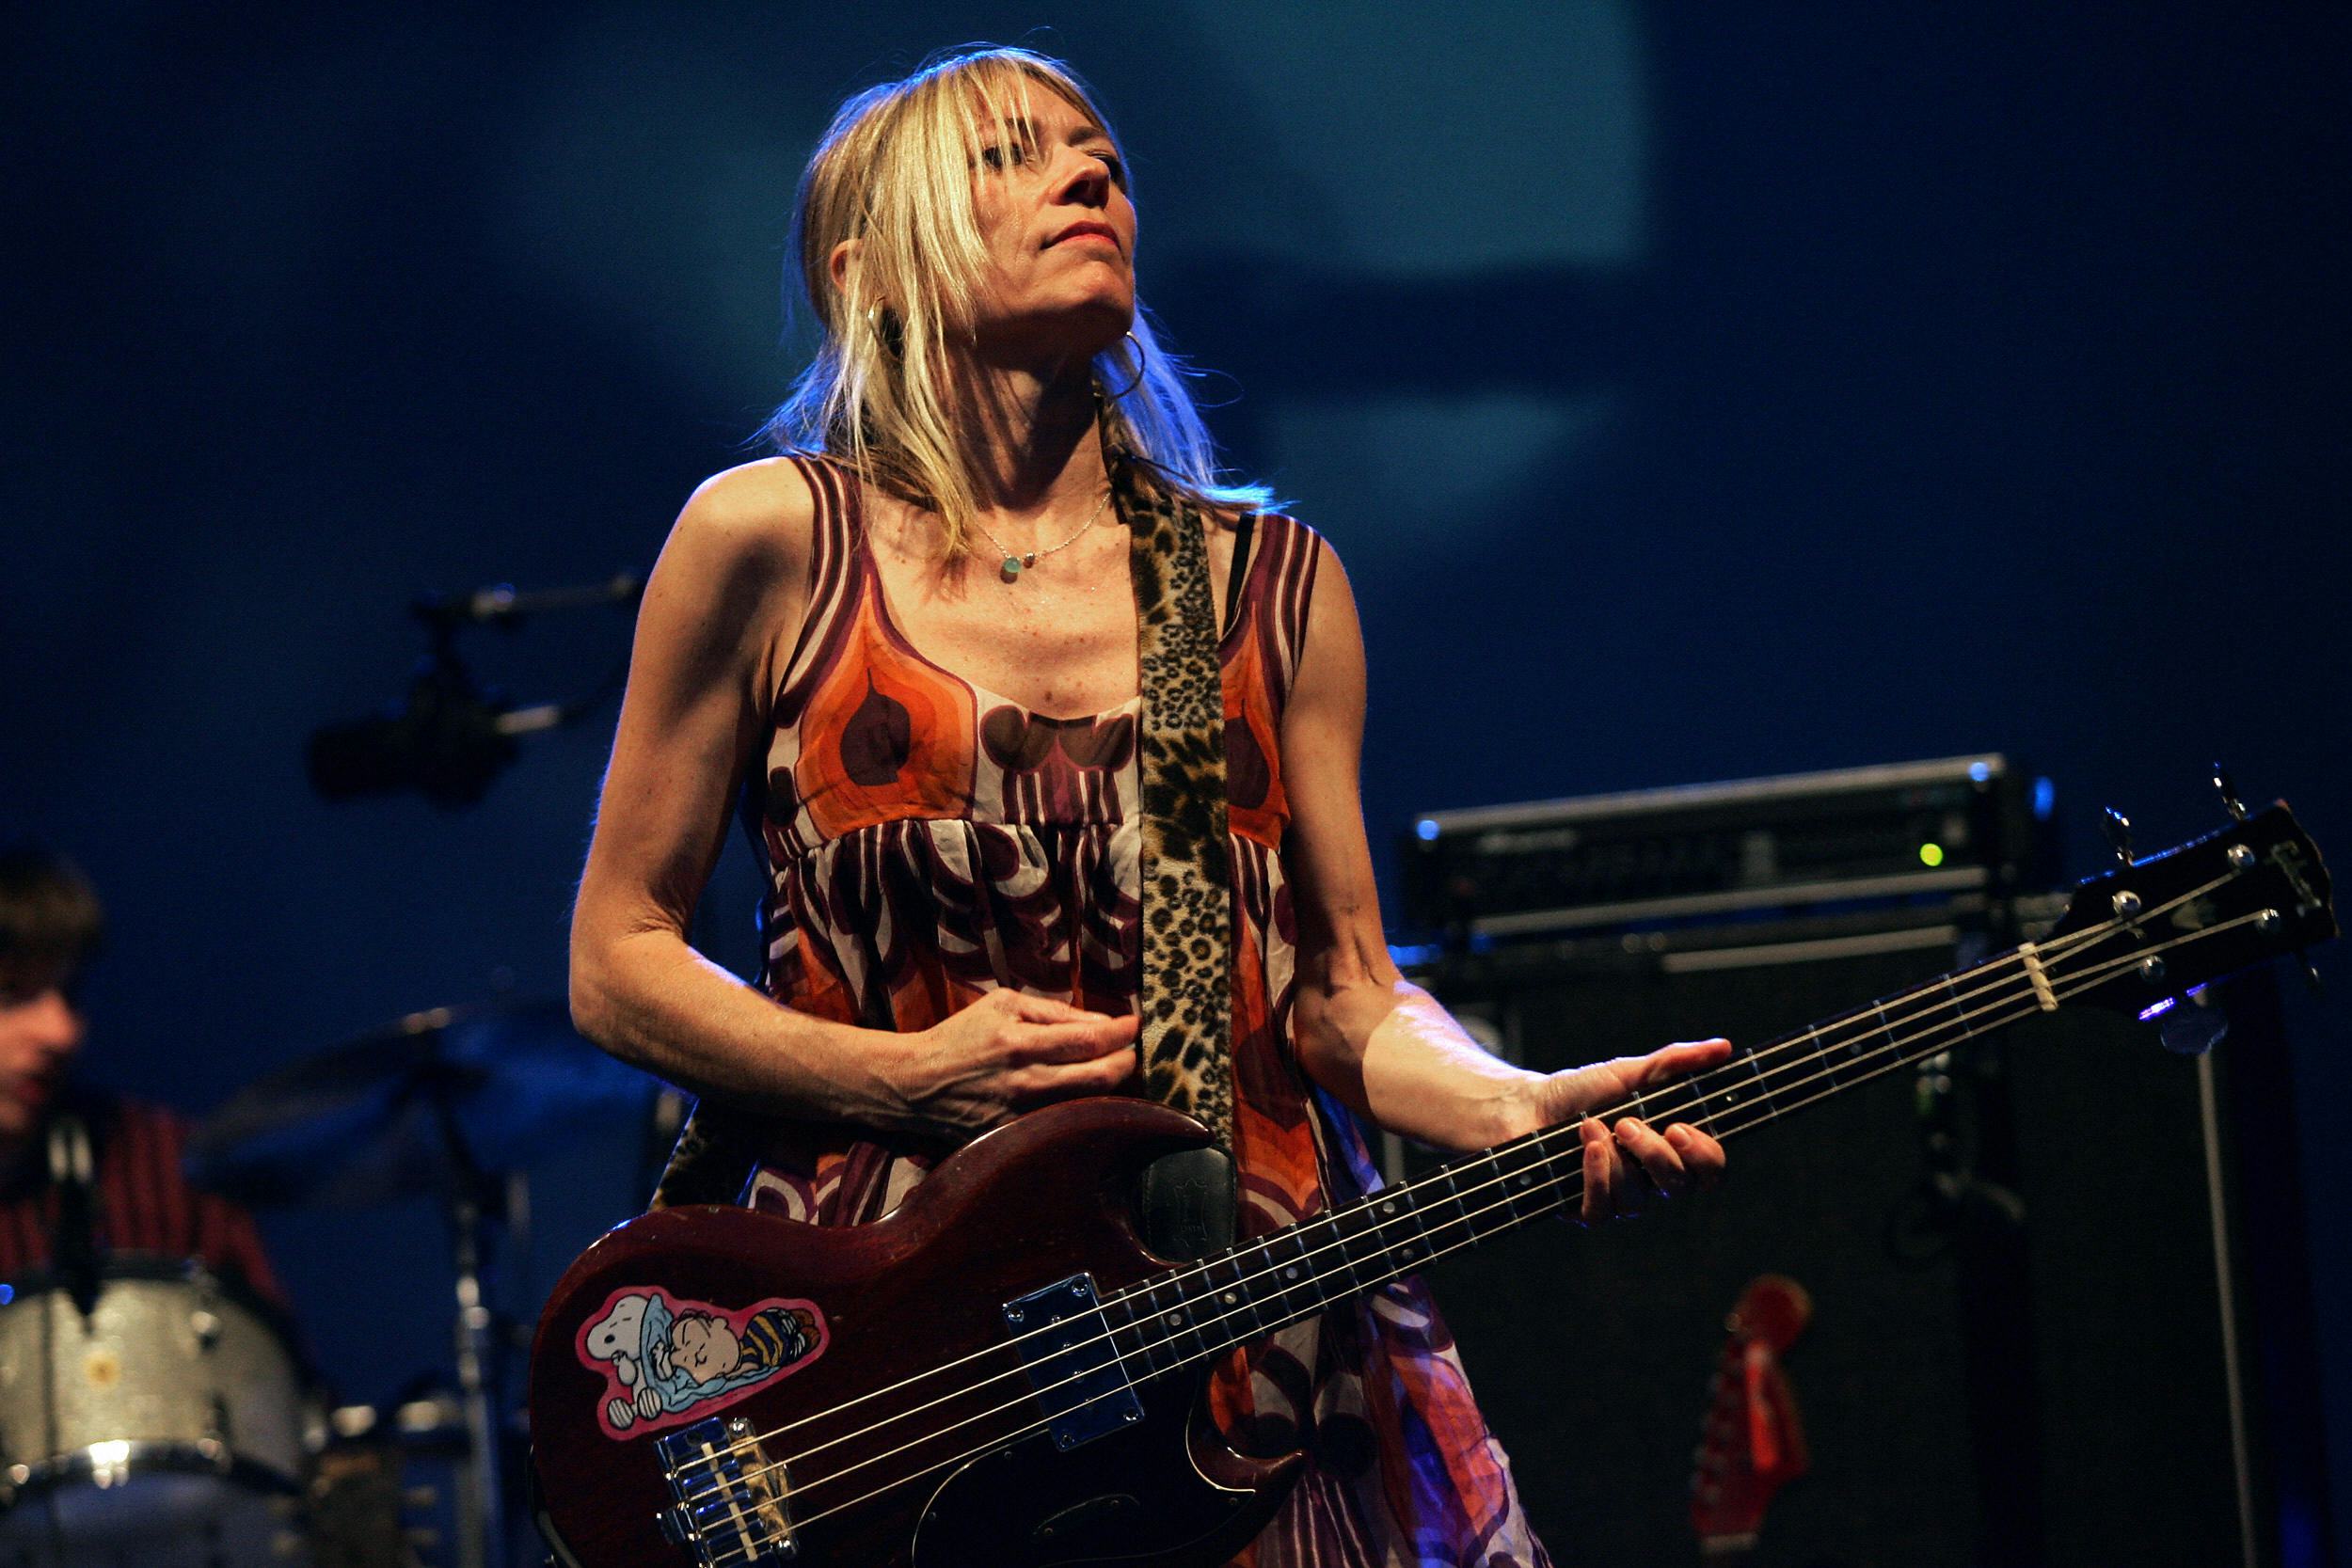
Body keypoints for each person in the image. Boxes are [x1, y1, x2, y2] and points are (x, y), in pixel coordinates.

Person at [569, 44, 1728, 1564]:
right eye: (1010, 154)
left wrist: (1512, 1104)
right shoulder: (768, 540)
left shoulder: (1261, 587)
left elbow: (1343, 994)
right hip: (900, 1356)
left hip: (1237, 1336)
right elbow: (617, 956)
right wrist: (898, 1076)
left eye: (1099, 154)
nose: (1088, 173)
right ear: (870, 272)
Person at [0, 844, 283, 1301]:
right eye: (12, 993)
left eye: (71, 994)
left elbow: (259, 1341)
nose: (61, 1031)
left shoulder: (167, 1165)